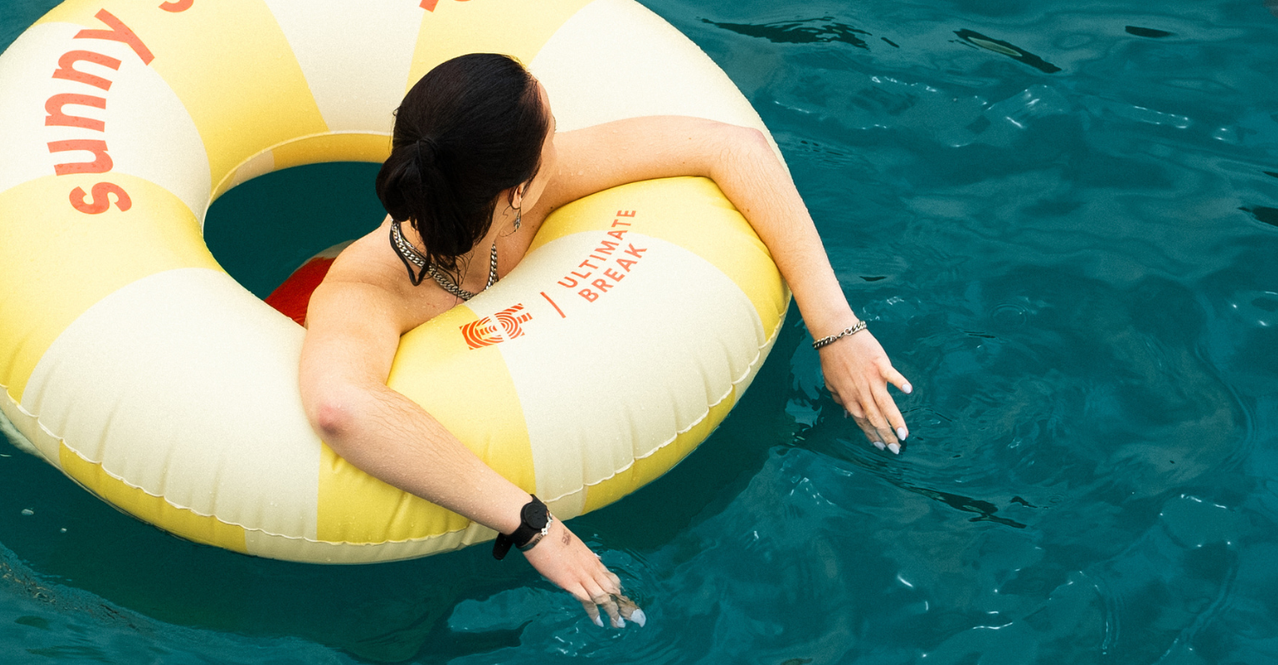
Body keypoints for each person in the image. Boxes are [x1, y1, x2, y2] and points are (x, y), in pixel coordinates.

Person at [296, 53, 912, 627]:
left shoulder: (526, 199)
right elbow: (341, 406)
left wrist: (836, 327)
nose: (560, 145)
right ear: (516, 190)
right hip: (310, 350)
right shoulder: (367, 287)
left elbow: (735, 148)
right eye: (552, 135)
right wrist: (535, 527)